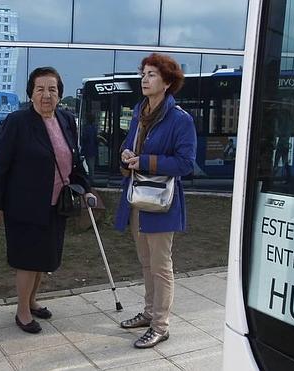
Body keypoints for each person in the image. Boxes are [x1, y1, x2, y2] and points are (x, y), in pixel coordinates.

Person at [0, 67, 94, 334]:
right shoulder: (17, 122)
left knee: (44, 259)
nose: (46, 95)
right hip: (24, 205)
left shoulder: (66, 119)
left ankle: (33, 301)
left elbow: (74, 158)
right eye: (40, 89)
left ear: (60, 94)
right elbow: (1, 166)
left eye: (52, 89)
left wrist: (86, 188)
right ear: (31, 93)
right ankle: (22, 311)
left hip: (56, 204)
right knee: (27, 260)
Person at [114, 53, 197, 348]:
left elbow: (186, 163)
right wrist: (125, 154)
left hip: (161, 201)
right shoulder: (140, 111)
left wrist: (145, 162)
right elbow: (130, 144)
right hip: (137, 197)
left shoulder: (180, 119)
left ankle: (161, 325)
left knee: (161, 266)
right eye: (143, 73)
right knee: (146, 262)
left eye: (151, 74)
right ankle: (149, 313)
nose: (144, 79)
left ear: (167, 82)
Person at [80, 114, 99, 182]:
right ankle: (91, 179)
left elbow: (84, 139)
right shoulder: (94, 128)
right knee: (91, 166)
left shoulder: (86, 128)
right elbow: (96, 140)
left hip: (87, 150)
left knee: (89, 166)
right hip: (92, 150)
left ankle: (90, 180)